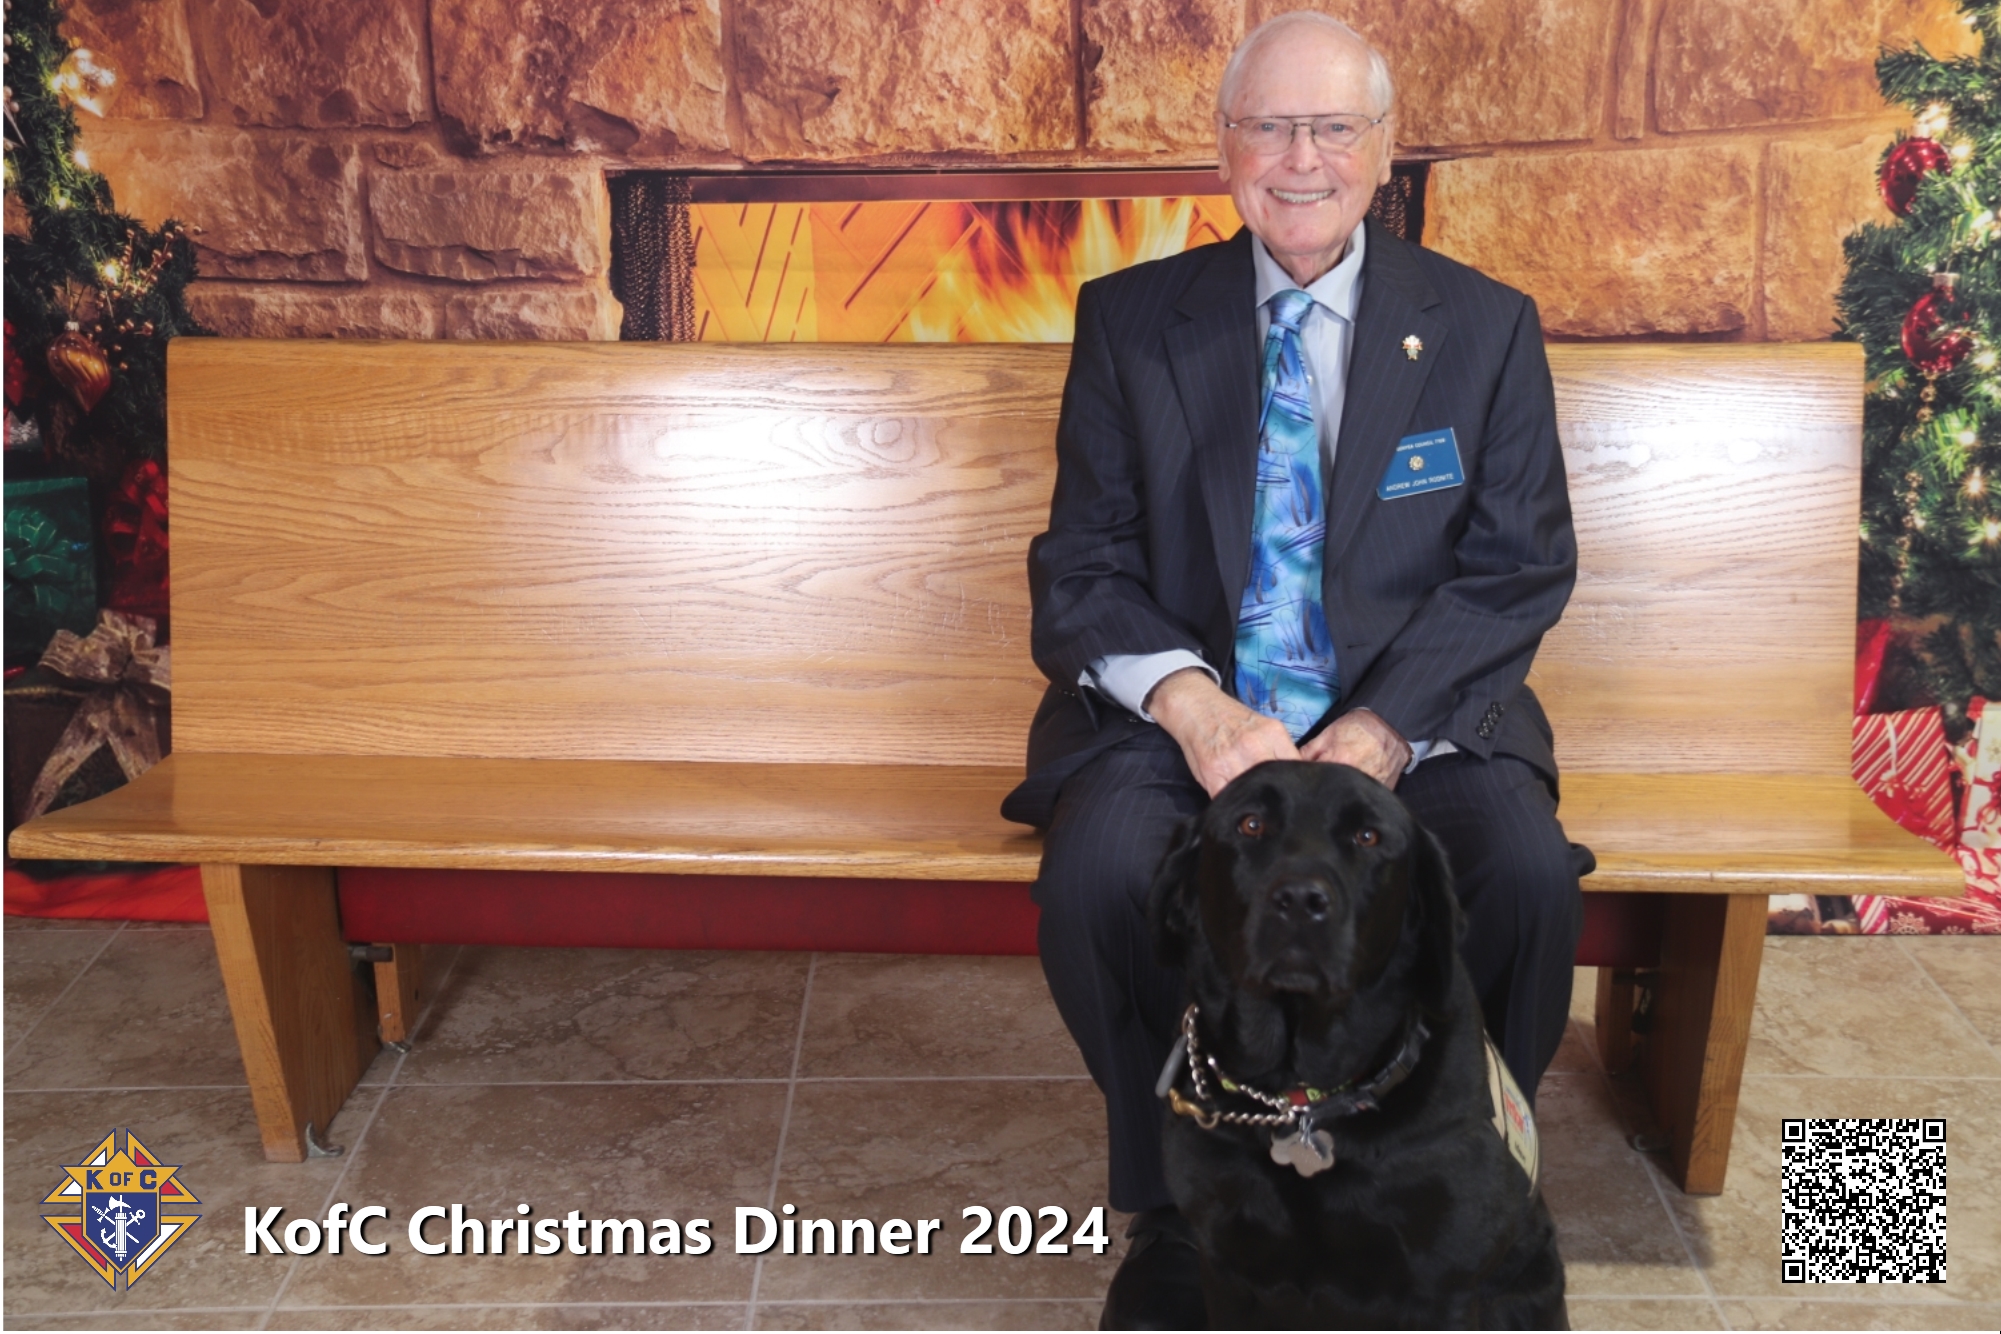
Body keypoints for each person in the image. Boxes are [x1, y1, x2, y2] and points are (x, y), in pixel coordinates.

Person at [999, 11, 1591, 1328]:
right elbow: (1082, 565)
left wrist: (1383, 727)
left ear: (1382, 146)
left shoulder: (1485, 327)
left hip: (1414, 722)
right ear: (1225, 148)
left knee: (1522, 873)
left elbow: (1518, 566)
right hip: (1195, 723)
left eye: (1331, 127)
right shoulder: (1131, 320)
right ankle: (1180, 1193)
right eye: (1268, 126)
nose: (1300, 157)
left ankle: (1457, 1169)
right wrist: (1190, 705)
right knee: (1100, 874)